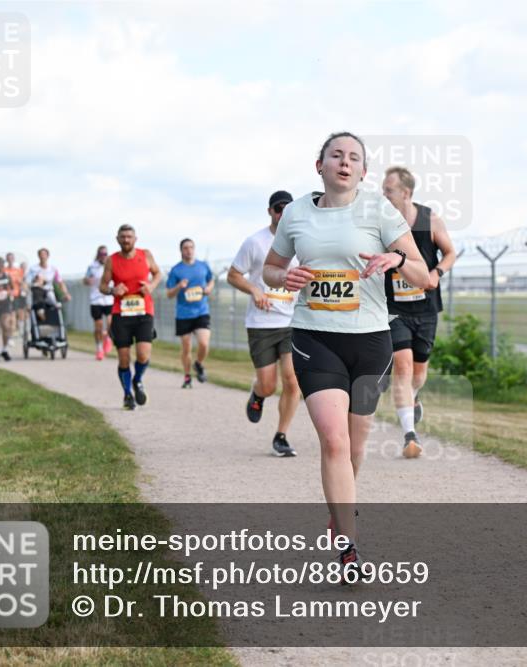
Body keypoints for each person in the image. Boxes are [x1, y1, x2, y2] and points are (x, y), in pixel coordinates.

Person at [263, 132, 429, 578]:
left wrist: (395, 260)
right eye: (336, 155)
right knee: (333, 441)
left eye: (353, 157)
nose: (344, 161)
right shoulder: (296, 212)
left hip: (370, 339)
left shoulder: (379, 209)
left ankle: (341, 511)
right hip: (315, 337)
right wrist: (286, 276)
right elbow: (270, 269)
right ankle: (349, 550)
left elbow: (424, 276)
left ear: (363, 171)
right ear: (320, 165)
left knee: (355, 447)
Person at [381, 167, 457, 458]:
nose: (384, 195)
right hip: (394, 307)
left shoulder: (430, 220)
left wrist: (437, 272)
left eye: (389, 190)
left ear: (405, 193)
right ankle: (409, 436)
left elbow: (450, 252)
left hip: (426, 308)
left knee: (419, 371)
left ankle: (413, 397)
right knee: (402, 366)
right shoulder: (382, 224)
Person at [228, 190, 300, 457]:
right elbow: (233, 275)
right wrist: (254, 290)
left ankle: (281, 436)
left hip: (293, 322)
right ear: (270, 211)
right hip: (261, 323)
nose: (282, 214)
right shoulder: (255, 242)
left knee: (293, 381)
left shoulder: (301, 242)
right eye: (278, 209)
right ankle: (258, 394)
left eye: (287, 209)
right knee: (269, 385)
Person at [99, 224, 162, 410]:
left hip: (144, 312)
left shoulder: (146, 255)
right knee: (124, 358)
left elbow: (158, 273)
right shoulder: (111, 260)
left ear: (135, 239)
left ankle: (138, 380)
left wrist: (150, 286)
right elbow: (102, 286)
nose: (126, 240)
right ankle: (127, 395)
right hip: (121, 313)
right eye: (123, 237)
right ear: (117, 239)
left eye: (129, 236)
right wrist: (113, 290)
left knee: (143, 355)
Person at [166, 238, 214, 388]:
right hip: (183, 314)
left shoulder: (203, 266)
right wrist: (179, 286)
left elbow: (211, 280)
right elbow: (169, 294)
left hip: (201, 311)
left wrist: (208, 289)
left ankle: (198, 364)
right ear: (181, 250)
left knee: (204, 343)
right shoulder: (176, 270)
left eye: (191, 247)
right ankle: (187, 377)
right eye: (185, 248)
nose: (189, 250)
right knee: (186, 347)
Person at [84, 245, 115, 360]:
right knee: (98, 326)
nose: (103, 256)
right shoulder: (92, 267)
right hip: (96, 299)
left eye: (105, 254)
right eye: (101, 254)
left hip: (109, 298)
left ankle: (108, 337)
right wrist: (88, 280)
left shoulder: (111, 265)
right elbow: (85, 280)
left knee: (110, 322)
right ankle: (99, 348)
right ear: (98, 255)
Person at [26, 248, 71, 322]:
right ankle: (40, 313)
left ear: (48, 256)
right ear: (38, 256)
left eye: (44, 255)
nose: (42, 256)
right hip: (37, 292)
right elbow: (27, 282)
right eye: (41, 255)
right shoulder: (33, 269)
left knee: (55, 304)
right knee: (37, 296)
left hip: (49, 292)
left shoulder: (53, 269)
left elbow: (60, 282)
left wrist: (66, 294)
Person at [4, 253, 27, 344]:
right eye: (8, 258)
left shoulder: (18, 271)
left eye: (12, 258)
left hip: (16, 296)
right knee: (9, 317)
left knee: (16, 316)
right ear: (6, 259)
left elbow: (23, 283)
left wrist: (20, 282)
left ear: (14, 259)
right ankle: (9, 335)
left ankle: (13, 335)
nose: (10, 260)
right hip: (5, 296)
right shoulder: (3, 270)